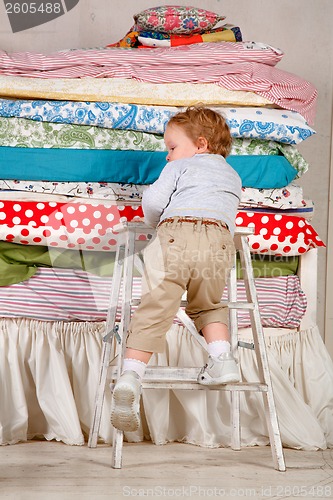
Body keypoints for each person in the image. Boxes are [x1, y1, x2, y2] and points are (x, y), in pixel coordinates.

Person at [111, 106, 242, 432]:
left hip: (175, 236)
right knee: (209, 304)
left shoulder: (181, 166)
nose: (168, 156)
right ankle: (222, 358)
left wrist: (157, 222)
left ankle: (130, 375)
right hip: (219, 241)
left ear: (200, 145)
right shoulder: (233, 175)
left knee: (155, 308)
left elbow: (154, 202)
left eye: (171, 147)